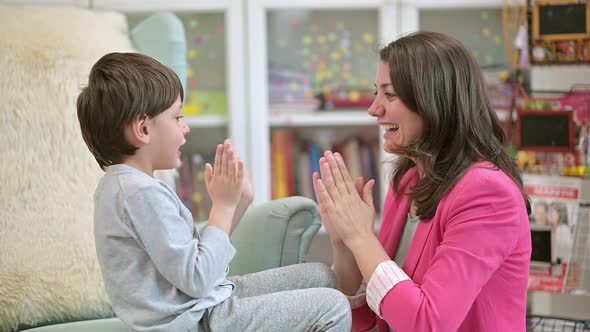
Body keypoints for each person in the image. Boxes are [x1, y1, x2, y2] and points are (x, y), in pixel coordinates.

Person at [77, 52, 351, 332]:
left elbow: (195, 261)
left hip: (201, 306)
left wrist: (237, 203)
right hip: (194, 320)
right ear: (144, 129)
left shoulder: (127, 187)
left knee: (320, 276)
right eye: (177, 117)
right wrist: (222, 206)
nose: (185, 128)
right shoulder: (139, 194)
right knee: (333, 307)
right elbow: (197, 278)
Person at [312, 32, 532, 332]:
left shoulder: (488, 194)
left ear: (434, 102)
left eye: (389, 95)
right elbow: (375, 313)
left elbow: (428, 323)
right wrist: (345, 245)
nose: (374, 108)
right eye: (376, 93)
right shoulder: (408, 182)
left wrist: (362, 238)